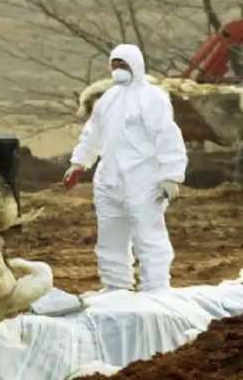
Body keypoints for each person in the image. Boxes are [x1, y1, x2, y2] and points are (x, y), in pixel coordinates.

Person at [64, 44, 188, 293]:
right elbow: (93, 134)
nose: (118, 69)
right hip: (109, 179)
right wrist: (79, 163)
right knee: (111, 237)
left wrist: (171, 175)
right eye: (115, 64)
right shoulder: (109, 98)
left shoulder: (153, 97)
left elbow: (167, 135)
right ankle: (115, 287)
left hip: (143, 179)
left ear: (136, 65)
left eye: (123, 64)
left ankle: (156, 288)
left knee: (147, 235)